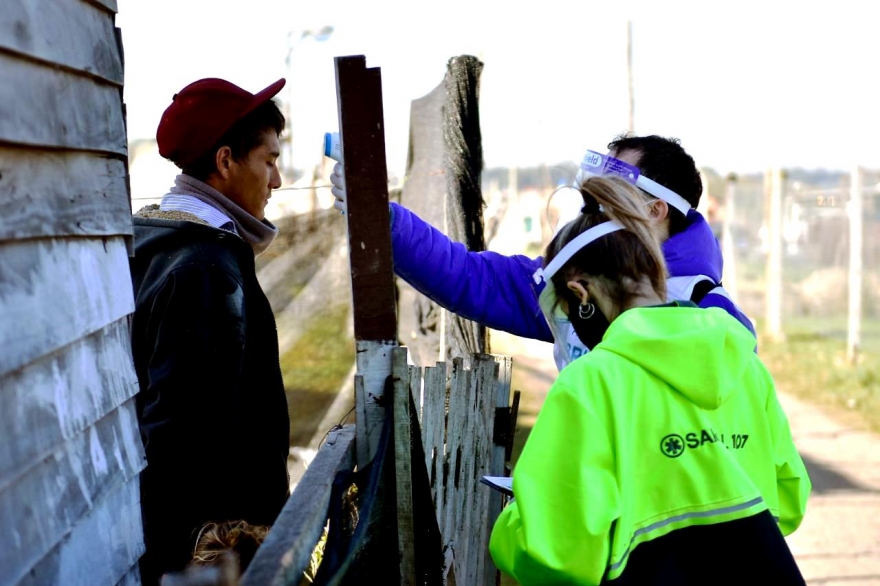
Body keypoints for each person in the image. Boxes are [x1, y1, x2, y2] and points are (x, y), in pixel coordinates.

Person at [488, 175, 810, 585]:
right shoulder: (744, 361)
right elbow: (789, 496)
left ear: (580, 293)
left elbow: (557, 554)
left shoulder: (591, 383)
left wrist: (514, 522)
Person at [330, 135, 754, 370]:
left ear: (655, 210)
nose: (593, 207)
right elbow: (469, 277)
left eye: (610, 196)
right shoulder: (574, 282)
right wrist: (381, 219)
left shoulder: (715, 316)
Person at [129, 77, 291, 584]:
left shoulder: (161, 239)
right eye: (269, 161)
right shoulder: (205, 269)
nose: (278, 180)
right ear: (225, 163)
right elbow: (181, 439)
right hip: (212, 556)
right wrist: (201, 560)